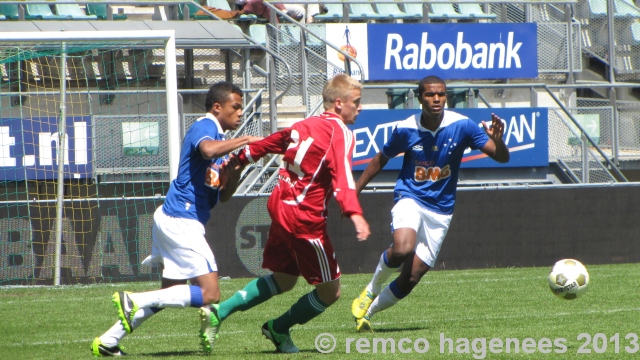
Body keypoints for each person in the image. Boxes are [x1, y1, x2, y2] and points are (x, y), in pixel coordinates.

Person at [90, 81, 262, 356]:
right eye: (236, 107)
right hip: (182, 219)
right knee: (210, 295)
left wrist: (237, 169)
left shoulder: (220, 141)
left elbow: (224, 196)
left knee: (169, 294)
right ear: (217, 107)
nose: (240, 113)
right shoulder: (206, 126)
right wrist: (246, 140)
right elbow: (206, 150)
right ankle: (134, 299)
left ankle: (108, 341)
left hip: (175, 218)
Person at [207, 74, 371, 353]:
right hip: (304, 218)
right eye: (357, 102)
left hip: (280, 204)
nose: (360, 108)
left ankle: (219, 312)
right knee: (331, 293)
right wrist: (354, 212)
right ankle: (278, 328)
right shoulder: (340, 132)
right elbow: (342, 176)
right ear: (339, 103)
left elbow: (270, 142)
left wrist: (237, 159)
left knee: (284, 279)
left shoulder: (304, 124)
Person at [350, 75, 510, 332]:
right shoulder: (406, 128)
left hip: (441, 210)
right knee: (402, 248)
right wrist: (354, 190)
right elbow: (381, 158)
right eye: (429, 94)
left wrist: (499, 140)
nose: (436, 99)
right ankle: (370, 291)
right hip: (409, 197)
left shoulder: (462, 126)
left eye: (441, 94)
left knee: (412, 277)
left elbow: (501, 158)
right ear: (419, 97)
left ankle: (367, 312)